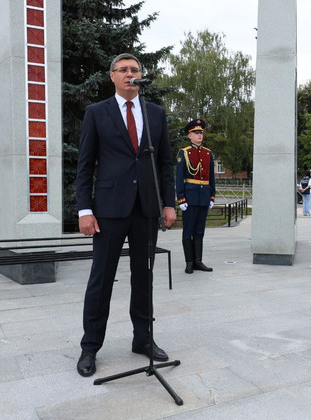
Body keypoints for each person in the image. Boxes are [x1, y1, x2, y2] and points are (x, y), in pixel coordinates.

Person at [75, 53, 177, 377]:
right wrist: (84, 210)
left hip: (146, 209)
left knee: (143, 277)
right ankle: (90, 347)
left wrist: (169, 203)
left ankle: (143, 339)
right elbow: (85, 166)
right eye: (123, 70)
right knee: (101, 279)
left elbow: (165, 163)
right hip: (108, 211)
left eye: (134, 70)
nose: (129, 74)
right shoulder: (97, 112)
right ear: (113, 76)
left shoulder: (155, 113)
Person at [175, 118, 215, 274]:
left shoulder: (208, 153)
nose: (199, 135)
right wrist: (181, 198)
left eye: (201, 133)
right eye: (196, 133)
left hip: (203, 196)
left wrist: (212, 196)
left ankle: (198, 261)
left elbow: (211, 177)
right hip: (190, 197)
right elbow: (179, 177)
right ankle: (189, 262)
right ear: (189, 135)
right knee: (188, 230)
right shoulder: (184, 153)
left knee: (199, 230)